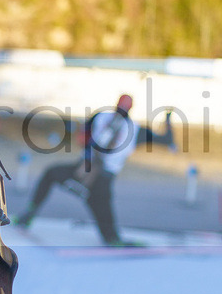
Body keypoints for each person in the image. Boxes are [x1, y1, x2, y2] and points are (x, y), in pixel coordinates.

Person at [14, 94, 174, 246]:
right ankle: (112, 238)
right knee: (106, 224)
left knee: (52, 174)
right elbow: (167, 139)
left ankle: (30, 213)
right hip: (96, 177)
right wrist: (168, 119)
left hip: (86, 172)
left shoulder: (104, 117)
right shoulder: (135, 129)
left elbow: (82, 136)